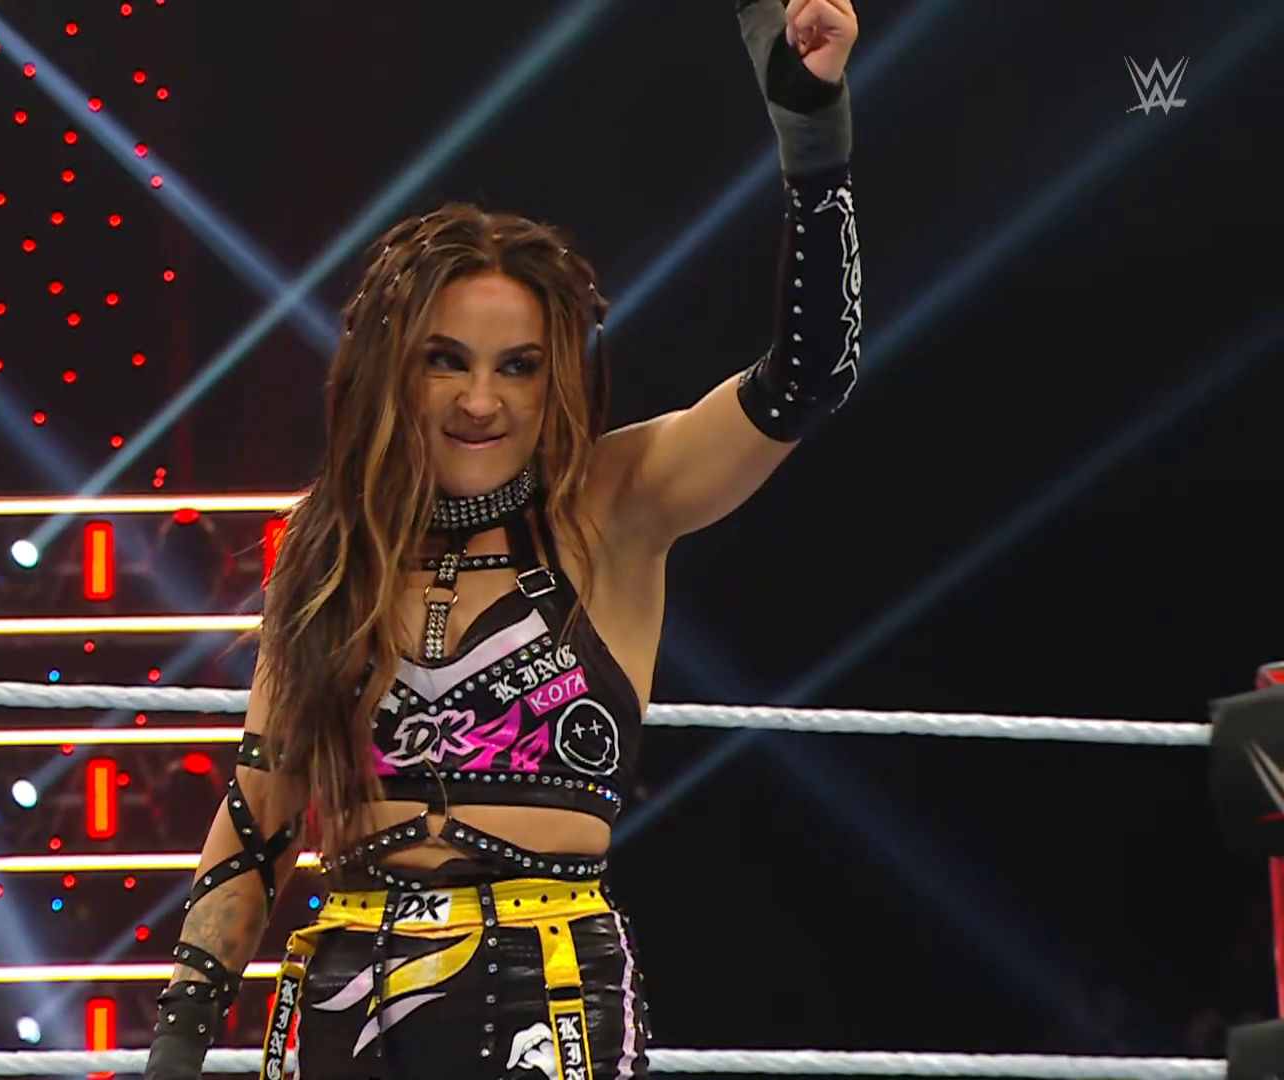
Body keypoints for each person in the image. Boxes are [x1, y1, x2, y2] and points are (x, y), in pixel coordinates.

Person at [145, 2, 862, 1077]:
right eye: (447, 361)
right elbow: (259, 813)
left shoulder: (612, 502)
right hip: (341, 1001)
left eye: (517, 367)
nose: (480, 401)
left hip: (545, 1004)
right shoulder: (330, 545)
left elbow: (809, 377)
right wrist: (178, 1043)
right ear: (394, 369)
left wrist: (813, 142)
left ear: (557, 375)